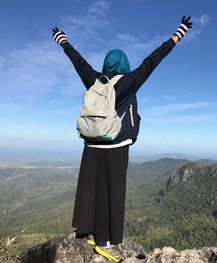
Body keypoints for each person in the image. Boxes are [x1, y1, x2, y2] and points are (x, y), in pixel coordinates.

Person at [52, 16, 192, 263]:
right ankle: (105, 244)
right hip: (115, 145)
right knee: (112, 192)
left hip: (91, 143)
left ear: (107, 64)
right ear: (124, 64)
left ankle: (91, 232)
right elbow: (153, 60)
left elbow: (77, 60)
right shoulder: (128, 82)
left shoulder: (94, 80)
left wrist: (62, 40)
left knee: (91, 189)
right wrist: (177, 35)